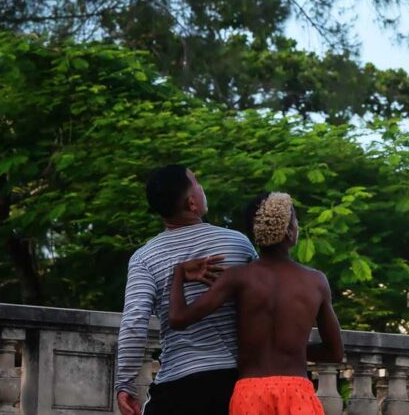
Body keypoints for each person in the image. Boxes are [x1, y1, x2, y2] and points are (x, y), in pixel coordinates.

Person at [168, 191, 344, 415]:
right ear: (289, 231)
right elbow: (335, 352)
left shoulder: (238, 277)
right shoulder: (315, 282)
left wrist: (178, 273)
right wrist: (293, 350)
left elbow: (178, 318)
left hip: (250, 393)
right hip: (297, 392)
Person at [115, 165, 258, 415]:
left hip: (176, 387)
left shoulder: (145, 258)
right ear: (192, 203)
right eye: (197, 182)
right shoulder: (238, 243)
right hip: (235, 385)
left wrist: (124, 382)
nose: (202, 188)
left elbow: (134, 322)